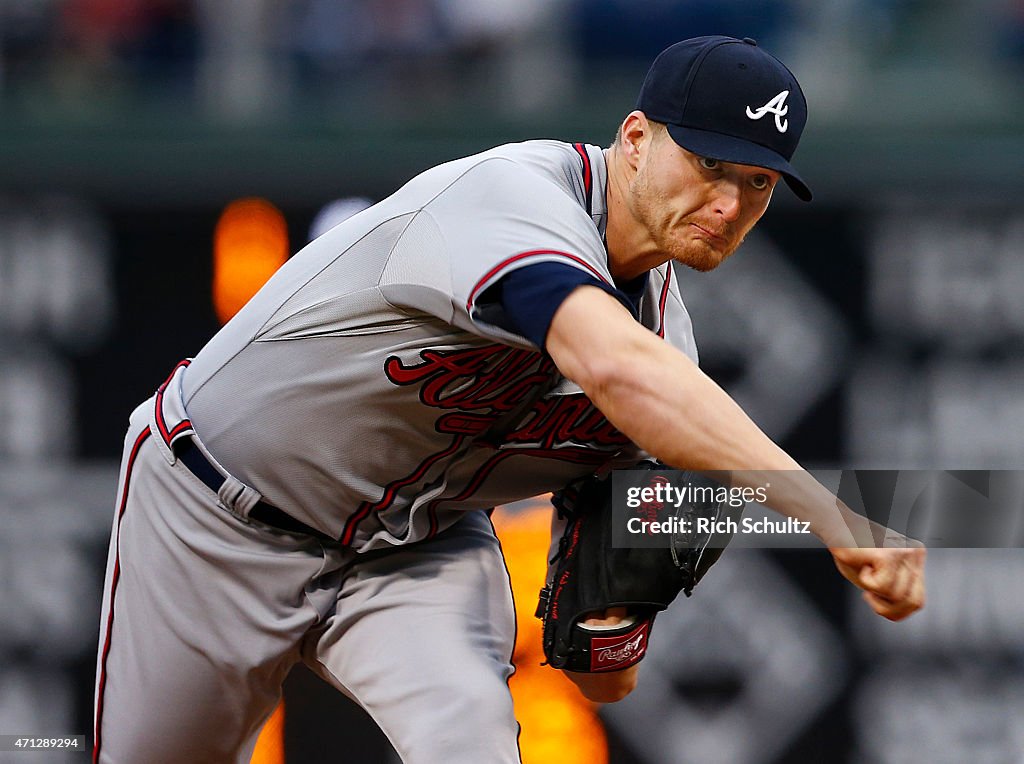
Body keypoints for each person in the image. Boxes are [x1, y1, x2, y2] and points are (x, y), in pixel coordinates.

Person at [93, 35, 925, 764]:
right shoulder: (514, 197)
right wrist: (836, 517)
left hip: (410, 546)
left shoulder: (668, 351)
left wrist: (613, 623)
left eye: (758, 183)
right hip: (214, 511)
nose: (729, 204)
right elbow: (615, 367)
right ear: (635, 138)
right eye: (710, 164)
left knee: (471, 735)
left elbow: (604, 688)